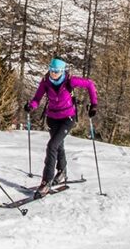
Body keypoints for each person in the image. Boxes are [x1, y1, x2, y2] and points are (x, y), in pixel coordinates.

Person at [25, 58, 98, 197]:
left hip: (67, 118)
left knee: (52, 146)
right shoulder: (46, 81)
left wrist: (94, 105)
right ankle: (62, 172)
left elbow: (89, 84)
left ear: (62, 70)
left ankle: (46, 182)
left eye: (56, 71)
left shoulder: (70, 80)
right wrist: (31, 106)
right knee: (58, 145)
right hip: (52, 118)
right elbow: (37, 98)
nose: (53, 73)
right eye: (51, 70)